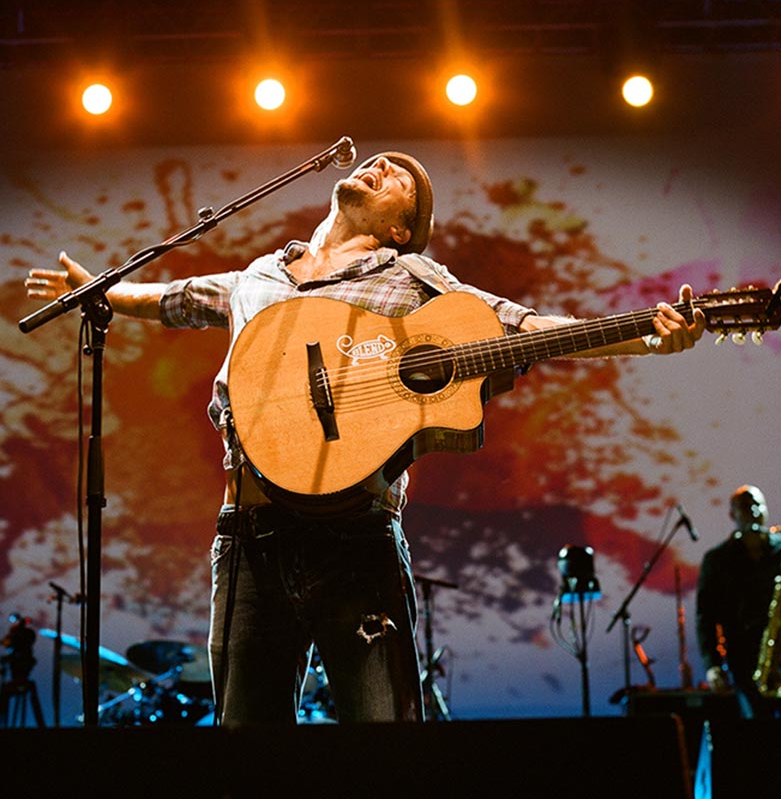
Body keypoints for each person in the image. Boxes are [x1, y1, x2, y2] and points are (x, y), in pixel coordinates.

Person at [25, 151, 706, 725]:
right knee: (245, 752)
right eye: (377, 160)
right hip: (247, 535)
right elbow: (174, 298)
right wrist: (100, 293)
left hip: (356, 534)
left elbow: (525, 328)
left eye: (400, 176)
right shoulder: (260, 276)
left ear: (402, 227)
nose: (380, 165)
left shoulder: (413, 279)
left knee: (386, 745)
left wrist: (646, 336)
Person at [696, 484, 781, 718]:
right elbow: (706, 616)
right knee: (757, 729)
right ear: (732, 514)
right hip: (744, 658)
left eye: (757, 505)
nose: (753, 510)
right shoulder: (718, 559)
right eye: (745, 506)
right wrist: (712, 665)